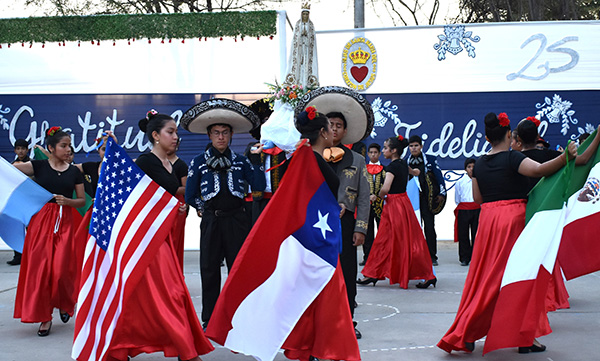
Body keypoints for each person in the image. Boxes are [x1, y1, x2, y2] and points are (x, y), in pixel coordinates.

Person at [438, 112, 577, 354]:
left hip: (489, 221)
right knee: (518, 277)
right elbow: (540, 170)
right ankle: (525, 337)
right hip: (513, 221)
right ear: (509, 134)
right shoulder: (513, 158)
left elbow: (479, 198)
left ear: (486, 137)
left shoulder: (479, 163)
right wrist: (566, 157)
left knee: (485, 279)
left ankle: (469, 331)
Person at [104, 110, 213, 361]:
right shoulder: (145, 162)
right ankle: (181, 350)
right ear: (155, 135)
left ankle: (138, 346)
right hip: (147, 239)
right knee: (168, 293)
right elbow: (132, 197)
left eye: (176, 132)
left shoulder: (171, 164)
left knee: (161, 294)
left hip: (163, 235)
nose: (176, 137)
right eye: (170, 132)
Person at [183, 98, 265, 329]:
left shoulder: (241, 161)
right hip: (211, 220)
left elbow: (258, 185)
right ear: (209, 135)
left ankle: (239, 314)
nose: (221, 137)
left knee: (238, 269)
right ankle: (210, 318)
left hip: (238, 220)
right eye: (216, 132)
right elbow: (190, 195)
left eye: (225, 132)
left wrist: (257, 161)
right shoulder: (198, 162)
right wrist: (202, 207)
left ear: (230, 135)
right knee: (209, 269)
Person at [13, 126, 85, 337]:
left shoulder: (74, 171)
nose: (67, 149)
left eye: (69, 146)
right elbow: (9, 171)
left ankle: (64, 302)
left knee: (62, 269)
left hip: (65, 221)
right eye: (63, 145)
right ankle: (45, 318)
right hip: (41, 222)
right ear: (51, 148)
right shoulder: (38, 166)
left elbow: (81, 199)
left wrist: (68, 201)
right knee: (41, 270)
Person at [358, 135, 436, 289]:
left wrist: (379, 195)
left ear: (394, 151)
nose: (384, 150)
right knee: (412, 240)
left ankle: (372, 273)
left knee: (383, 240)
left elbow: (386, 188)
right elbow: (416, 173)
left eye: (386, 148)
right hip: (404, 204)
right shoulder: (402, 164)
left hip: (393, 205)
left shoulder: (392, 167)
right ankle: (427, 275)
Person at [326, 111, 370, 339]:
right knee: (321, 272)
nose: (334, 129)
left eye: (338, 125)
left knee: (347, 271)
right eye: (330, 124)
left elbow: (364, 197)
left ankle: (348, 320)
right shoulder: (314, 156)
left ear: (345, 131)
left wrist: (360, 228)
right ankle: (321, 320)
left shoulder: (357, 159)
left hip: (345, 224)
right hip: (319, 224)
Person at [407, 135, 446, 266]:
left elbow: (439, 176)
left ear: (421, 146)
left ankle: (432, 256)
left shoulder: (430, 159)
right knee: (414, 228)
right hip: (412, 200)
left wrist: (442, 192)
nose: (414, 148)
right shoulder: (405, 161)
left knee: (429, 227)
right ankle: (415, 255)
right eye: (411, 146)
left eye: (416, 145)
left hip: (427, 199)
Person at [360, 142, 385, 266]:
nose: (373, 155)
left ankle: (382, 257)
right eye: (371, 152)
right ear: (368, 154)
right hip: (367, 205)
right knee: (367, 232)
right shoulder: (363, 169)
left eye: (375, 152)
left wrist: (380, 195)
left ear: (380, 154)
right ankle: (367, 257)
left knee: (382, 232)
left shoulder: (385, 169)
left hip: (381, 205)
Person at [7, 138, 31, 266]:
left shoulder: (33, 164)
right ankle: (18, 255)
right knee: (17, 229)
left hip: (29, 201)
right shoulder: (12, 165)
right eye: (18, 149)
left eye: (23, 148)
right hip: (17, 201)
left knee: (31, 229)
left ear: (27, 150)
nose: (20, 151)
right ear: (15, 150)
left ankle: (31, 255)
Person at [283, 3, 319, 88]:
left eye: (307, 14)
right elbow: (294, 38)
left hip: (307, 49)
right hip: (299, 50)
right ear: (301, 14)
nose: (305, 16)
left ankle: (308, 85)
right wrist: (300, 35)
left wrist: (307, 36)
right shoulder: (298, 24)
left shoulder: (311, 25)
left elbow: (312, 39)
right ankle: (296, 84)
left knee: (307, 66)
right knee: (297, 65)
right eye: (304, 14)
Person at [453, 158, 480, 266]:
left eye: (473, 167)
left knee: (476, 234)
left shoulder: (480, 180)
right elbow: (457, 198)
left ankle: (475, 256)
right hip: (464, 209)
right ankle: (464, 257)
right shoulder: (460, 182)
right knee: (463, 234)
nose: (471, 169)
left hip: (477, 209)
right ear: (465, 169)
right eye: (469, 167)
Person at [168, 137, 189, 269]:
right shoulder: (155, 163)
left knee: (175, 241)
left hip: (176, 206)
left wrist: (169, 188)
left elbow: (186, 188)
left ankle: (175, 277)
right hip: (158, 205)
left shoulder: (181, 165)